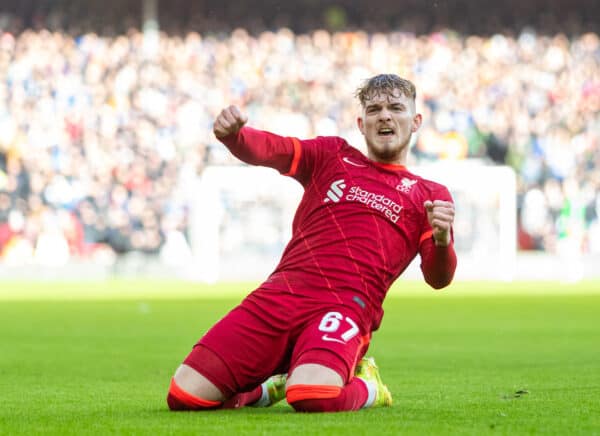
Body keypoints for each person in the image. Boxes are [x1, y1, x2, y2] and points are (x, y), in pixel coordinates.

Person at [167, 74, 457, 412]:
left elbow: (439, 278)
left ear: (416, 121)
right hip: (281, 293)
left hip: (343, 307)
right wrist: (236, 137)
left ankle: (369, 386)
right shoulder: (331, 155)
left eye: (396, 108)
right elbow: (274, 149)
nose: (385, 116)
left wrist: (441, 240)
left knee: (311, 395)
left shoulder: (429, 195)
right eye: (375, 109)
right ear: (361, 123)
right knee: (185, 396)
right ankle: (265, 389)